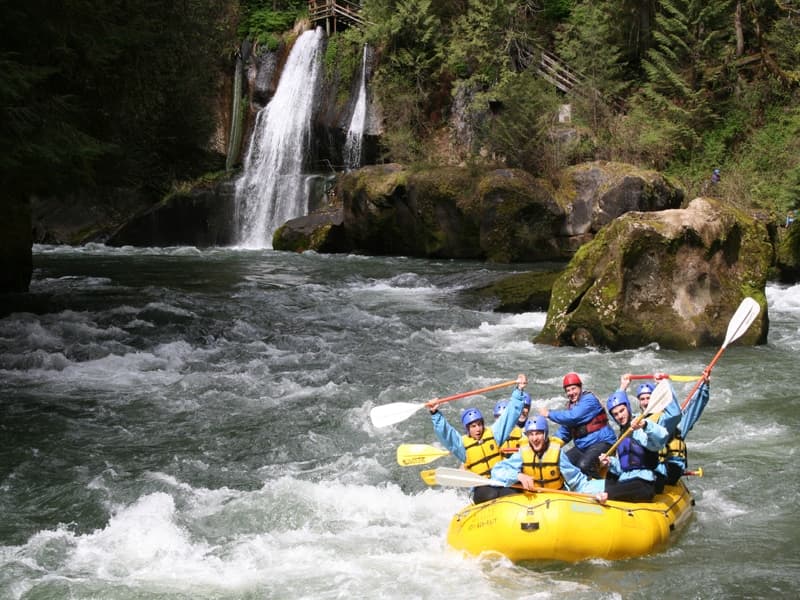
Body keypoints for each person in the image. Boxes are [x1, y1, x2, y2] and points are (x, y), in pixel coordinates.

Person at [429, 374, 529, 503]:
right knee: (490, 494)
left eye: (480, 424)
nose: (478, 429)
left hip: (501, 480)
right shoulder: (462, 446)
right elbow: (446, 434)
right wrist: (435, 413)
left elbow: (509, 416)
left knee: (512, 493)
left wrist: (519, 390)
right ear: (468, 429)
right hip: (481, 487)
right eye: (473, 426)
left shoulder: (493, 434)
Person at [491, 416, 608, 503]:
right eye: (531, 434)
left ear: (545, 434)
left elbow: (577, 482)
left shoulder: (557, 453)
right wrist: (518, 476)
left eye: (538, 434)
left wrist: (595, 493)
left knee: (608, 486)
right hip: (534, 501)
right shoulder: (522, 453)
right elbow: (497, 471)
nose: (534, 438)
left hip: (556, 500)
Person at [538, 372, 616, 478]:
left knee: (584, 465)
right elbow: (564, 433)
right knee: (560, 464)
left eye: (573, 388)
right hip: (583, 446)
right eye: (568, 390)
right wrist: (546, 446)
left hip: (602, 442)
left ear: (580, 387)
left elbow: (573, 417)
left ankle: (602, 489)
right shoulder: (571, 407)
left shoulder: (589, 400)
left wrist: (549, 413)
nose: (571, 393)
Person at [598, 391, 668, 502]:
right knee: (610, 474)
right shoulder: (622, 434)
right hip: (626, 480)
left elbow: (662, 438)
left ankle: (609, 495)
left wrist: (645, 425)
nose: (620, 416)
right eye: (615, 414)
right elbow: (623, 467)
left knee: (611, 492)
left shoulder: (640, 427)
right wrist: (610, 462)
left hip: (643, 483)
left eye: (622, 411)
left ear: (628, 408)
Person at [662, 371, 711, 485]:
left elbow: (695, 406)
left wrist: (705, 385)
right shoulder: (642, 421)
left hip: (669, 471)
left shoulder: (678, 424)